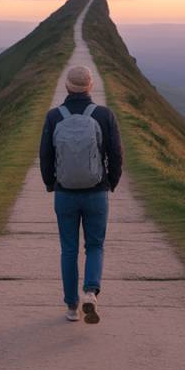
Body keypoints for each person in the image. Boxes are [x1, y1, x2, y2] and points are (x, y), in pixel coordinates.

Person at [39, 65, 123, 324]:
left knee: (69, 249)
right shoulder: (104, 115)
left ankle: (72, 307)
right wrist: (110, 182)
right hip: (96, 191)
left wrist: (51, 184)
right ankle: (90, 291)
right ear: (90, 86)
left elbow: (45, 156)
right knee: (95, 246)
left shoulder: (54, 116)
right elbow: (116, 154)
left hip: (65, 193)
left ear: (67, 87)